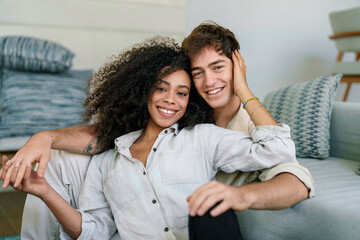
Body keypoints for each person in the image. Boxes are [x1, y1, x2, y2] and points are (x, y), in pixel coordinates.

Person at [2, 22, 314, 237]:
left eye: (218, 67)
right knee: (58, 160)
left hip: (207, 225)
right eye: (198, 74)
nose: (209, 81)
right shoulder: (129, 146)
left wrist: (236, 195)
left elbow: (291, 170)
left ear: (237, 67)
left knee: (207, 215)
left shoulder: (217, 133)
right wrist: (46, 141)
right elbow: (109, 135)